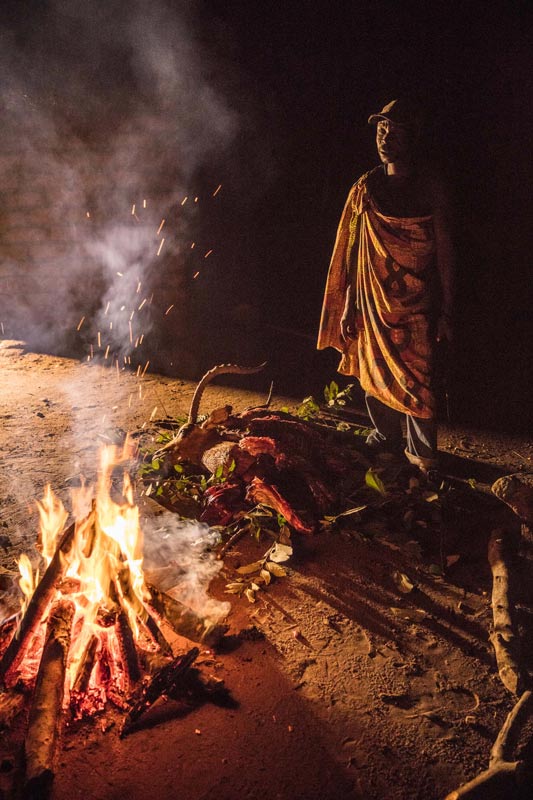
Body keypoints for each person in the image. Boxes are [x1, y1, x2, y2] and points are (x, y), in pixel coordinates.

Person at [317, 98, 454, 475]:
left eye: (395, 133)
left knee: (419, 378)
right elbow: (353, 250)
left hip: (416, 302)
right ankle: (386, 438)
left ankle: (423, 456)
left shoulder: (429, 187)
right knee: (372, 367)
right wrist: (348, 303)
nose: (386, 139)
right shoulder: (368, 186)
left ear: (413, 139)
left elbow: (444, 250)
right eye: (381, 131)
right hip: (372, 301)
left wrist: (447, 311)